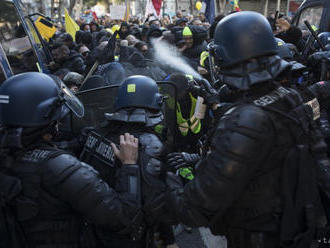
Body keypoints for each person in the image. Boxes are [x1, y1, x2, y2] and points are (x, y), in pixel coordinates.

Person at [155, 11, 330, 247]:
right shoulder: (291, 99)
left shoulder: (242, 120)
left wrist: (162, 177)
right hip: (298, 232)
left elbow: (195, 208)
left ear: (224, 57)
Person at [0, 72, 143, 247]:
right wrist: (129, 165)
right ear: (47, 120)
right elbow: (124, 217)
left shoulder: (8, 152)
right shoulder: (61, 168)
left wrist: (79, 141)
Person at [79, 75, 178, 247]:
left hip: (95, 227)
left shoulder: (96, 132)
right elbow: (155, 207)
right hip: (130, 234)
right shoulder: (149, 144)